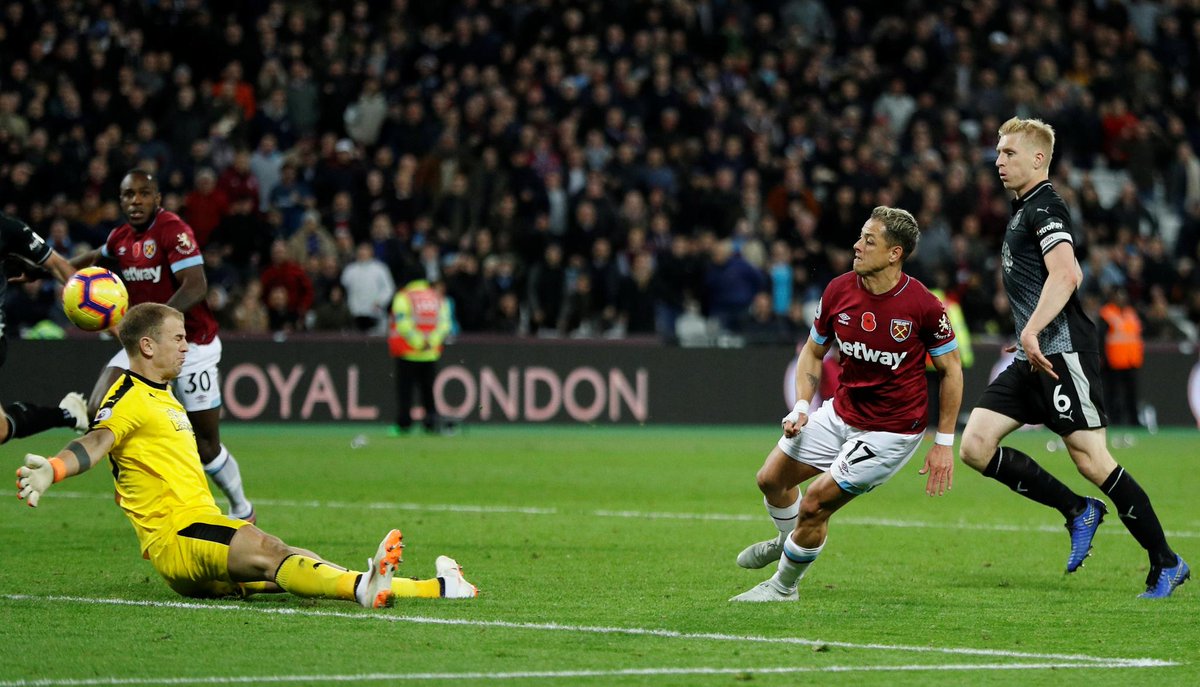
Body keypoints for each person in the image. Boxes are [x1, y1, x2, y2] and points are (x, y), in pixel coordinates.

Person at [15, 303, 477, 604]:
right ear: (147, 345)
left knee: (295, 561)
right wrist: (52, 469)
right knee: (272, 549)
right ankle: (364, 588)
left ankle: (439, 588)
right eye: (177, 338)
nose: (186, 345)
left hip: (195, 533)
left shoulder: (162, 395)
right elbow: (97, 441)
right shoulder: (129, 396)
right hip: (182, 535)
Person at [960, 117, 1188, 599]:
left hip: (1064, 352)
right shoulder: (1022, 210)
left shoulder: (1046, 207)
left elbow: (1068, 274)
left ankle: (1166, 561)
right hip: (1034, 354)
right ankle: (1076, 510)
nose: (998, 161)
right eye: (998, 153)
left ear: (1038, 159)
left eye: (1009, 153)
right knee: (975, 445)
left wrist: (1032, 329)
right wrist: (1027, 335)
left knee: (1091, 458)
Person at [731, 206, 962, 601]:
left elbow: (952, 371)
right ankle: (788, 542)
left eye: (869, 241)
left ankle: (783, 587)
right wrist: (802, 406)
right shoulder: (839, 290)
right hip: (842, 412)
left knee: (817, 503)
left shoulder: (923, 306)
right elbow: (812, 353)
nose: (857, 246)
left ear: (895, 253)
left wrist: (943, 442)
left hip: (891, 430)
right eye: (860, 236)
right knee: (770, 480)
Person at [72, 170, 256, 522]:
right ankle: (144, 484)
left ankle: (242, 508)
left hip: (193, 345)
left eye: (144, 194)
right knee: (99, 409)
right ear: (121, 200)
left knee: (206, 445)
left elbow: (196, 285)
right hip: (145, 345)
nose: (135, 201)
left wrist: (159, 323)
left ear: (157, 199)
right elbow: (94, 257)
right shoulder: (120, 238)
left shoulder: (173, 230)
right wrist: (44, 267)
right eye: (128, 195)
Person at [0, 211, 89, 441]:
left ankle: (66, 414)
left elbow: (58, 266)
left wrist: (99, 312)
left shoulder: (8, 228)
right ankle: (67, 415)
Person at [388, 266, 451, 435]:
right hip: (430, 353)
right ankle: (431, 423)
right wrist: (431, 342)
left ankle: (404, 424)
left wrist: (418, 342)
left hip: (408, 352)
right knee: (428, 391)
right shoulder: (437, 297)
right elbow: (444, 324)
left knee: (405, 391)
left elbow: (402, 324)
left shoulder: (403, 297)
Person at [1097, 287, 1144, 427]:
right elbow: (1101, 338)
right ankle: (1114, 420)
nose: (1122, 299)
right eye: (1119, 296)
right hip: (1113, 361)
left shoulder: (1131, 313)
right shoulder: (1106, 314)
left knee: (1132, 394)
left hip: (1131, 360)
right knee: (1113, 394)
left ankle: (1134, 420)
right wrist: (1103, 357)